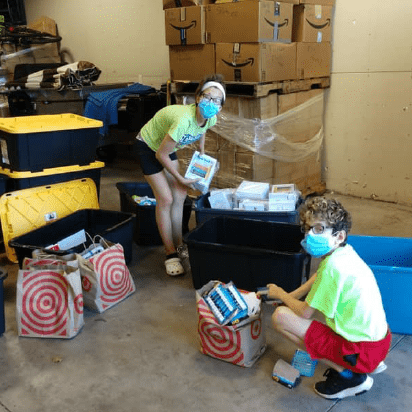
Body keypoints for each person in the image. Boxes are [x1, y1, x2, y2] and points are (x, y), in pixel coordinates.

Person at [259, 196, 391, 400]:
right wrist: (292, 295)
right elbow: (319, 276)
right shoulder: (343, 253)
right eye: (308, 228)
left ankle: (350, 376)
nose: (310, 235)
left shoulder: (333, 268)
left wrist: (280, 294)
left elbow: (304, 311)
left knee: (280, 317)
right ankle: (358, 365)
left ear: (339, 236)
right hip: (378, 342)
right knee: (316, 313)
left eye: (319, 229)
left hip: (361, 352)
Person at [135, 74, 226, 276]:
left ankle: (180, 243)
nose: (211, 103)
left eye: (216, 100)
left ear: (220, 106)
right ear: (198, 97)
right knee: (166, 199)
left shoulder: (211, 117)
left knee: (180, 193)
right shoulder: (184, 121)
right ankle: (170, 253)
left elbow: (203, 129)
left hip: (166, 144)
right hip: (149, 146)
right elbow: (161, 154)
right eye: (207, 97)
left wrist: (202, 154)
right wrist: (181, 177)